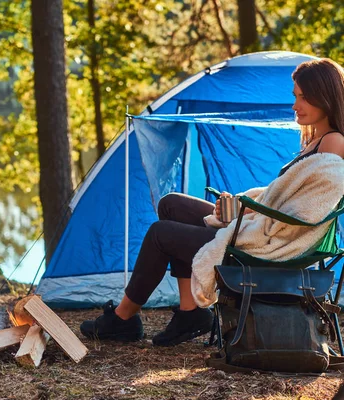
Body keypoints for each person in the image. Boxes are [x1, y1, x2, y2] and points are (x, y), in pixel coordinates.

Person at [80, 58, 344, 346]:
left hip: (272, 244)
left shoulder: (334, 143)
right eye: (295, 96)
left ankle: (123, 319)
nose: (295, 105)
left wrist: (247, 214)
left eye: (304, 98)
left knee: (160, 234)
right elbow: (283, 199)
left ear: (325, 96)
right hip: (264, 227)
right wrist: (240, 206)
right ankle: (189, 313)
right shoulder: (317, 141)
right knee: (171, 204)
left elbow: (305, 213)